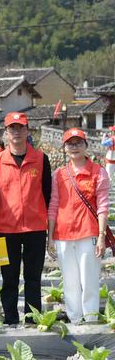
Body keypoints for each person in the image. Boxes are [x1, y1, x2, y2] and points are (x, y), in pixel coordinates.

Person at [0, 112, 51, 325]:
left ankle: (32, 320)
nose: (16, 132)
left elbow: (48, 194)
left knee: (33, 278)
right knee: (9, 279)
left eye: (20, 128)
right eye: (12, 128)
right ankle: (11, 320)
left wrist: (49, 229)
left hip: (35, 228)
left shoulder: (41, 159)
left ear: (27, 130)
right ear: (5, 132)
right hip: (7, 228)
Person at [48, 129, 109, 324]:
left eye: (78, 143)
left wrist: (101, 236)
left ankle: (90, 319)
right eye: (70, 144)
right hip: (63, 234)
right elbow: (54, 205)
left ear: (86, 145)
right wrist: (50, 237)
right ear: (64, 148)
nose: (74, 147)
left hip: (88, 233)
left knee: (89, 280)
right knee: (70, 281)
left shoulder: (98, 172)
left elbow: (103, 206)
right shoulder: (58, 174)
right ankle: (74, 318)